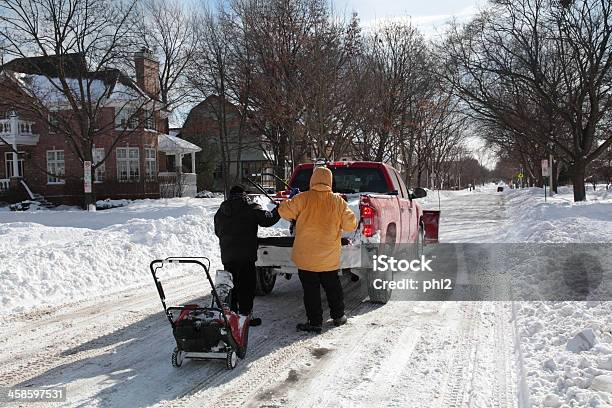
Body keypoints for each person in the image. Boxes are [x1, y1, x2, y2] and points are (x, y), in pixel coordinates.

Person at [278, 166, 358, 333]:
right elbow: (351, 224)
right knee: (333, 288)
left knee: (310, 291)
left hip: (306, 258)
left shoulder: (303, 199)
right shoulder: (338, 201)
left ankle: (315, 322)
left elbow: (283, 211)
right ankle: (338, 316)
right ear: (329, 181)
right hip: (328, 257)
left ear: (312, 180)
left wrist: (291, 200)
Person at [214, 185, 280, 326]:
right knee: (246, 287)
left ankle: (231, 316)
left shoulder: (221, 211)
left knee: (231, 286)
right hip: (246, 256)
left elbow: (217, 231)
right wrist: (278, 210)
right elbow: (267, 220)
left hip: (228, 256)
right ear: (244, 195)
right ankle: (245, 317)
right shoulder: (250, 207)